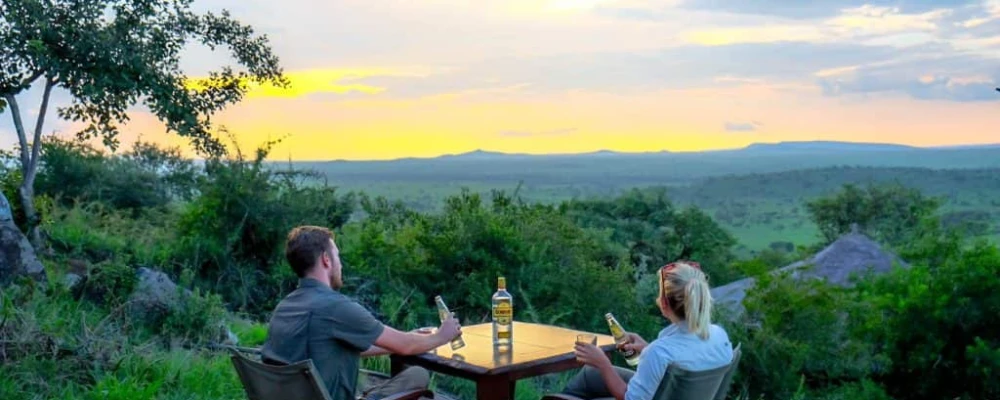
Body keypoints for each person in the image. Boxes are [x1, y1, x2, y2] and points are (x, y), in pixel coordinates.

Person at [261, 225, 462, 400]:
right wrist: (443, 335)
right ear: (326, 260)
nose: (340, 264)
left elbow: (330, 349)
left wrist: (396, 343)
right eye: (337, 256)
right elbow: (406, 346)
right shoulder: (335, 307)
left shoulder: (286, 306)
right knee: (417, 374)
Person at [561, 261, 734, 400]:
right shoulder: (719, 335)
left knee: (590, 378)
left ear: (664, 304)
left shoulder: (660, 352)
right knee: (590, 375)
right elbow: (688, 357)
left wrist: (602, 363)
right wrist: (646, 348)